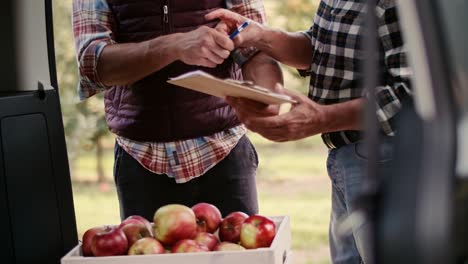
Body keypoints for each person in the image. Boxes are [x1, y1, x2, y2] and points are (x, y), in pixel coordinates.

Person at [206, 1, 412, 263]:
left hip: (386, 160)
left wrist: (323, 118)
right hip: (347, 157)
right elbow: (319, 48)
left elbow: (410, 98)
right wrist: (260, 36)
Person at [72, 0, 283, 221]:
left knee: (237, 254)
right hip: (141, 157)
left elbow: (256, 47)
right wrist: (175, 46)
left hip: (225, 153)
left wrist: (266, 98)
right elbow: (92, 63)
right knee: (149, 256)